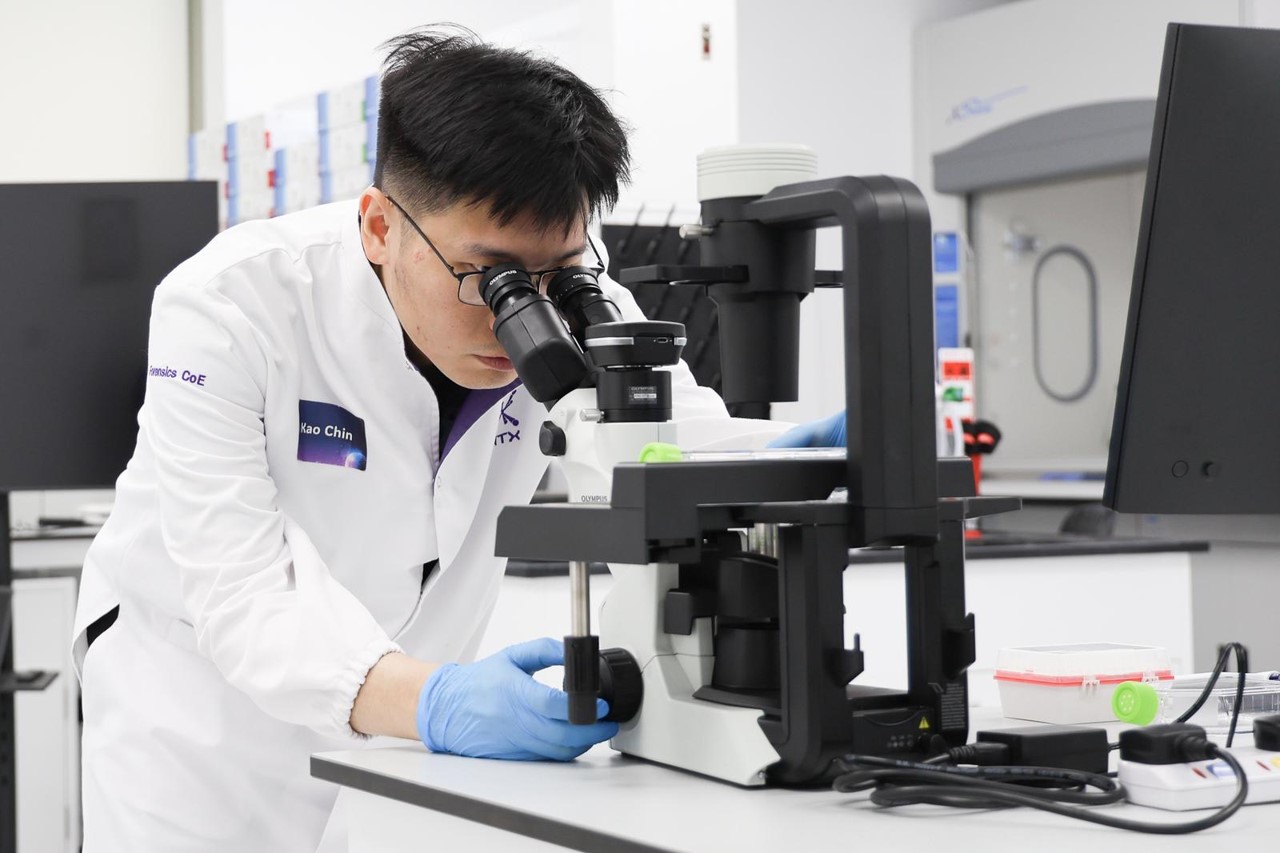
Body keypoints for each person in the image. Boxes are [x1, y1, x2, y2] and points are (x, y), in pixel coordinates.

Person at [73, 25, 843, 853]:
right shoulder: (228, 306)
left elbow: (672, 449)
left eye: (556, 275)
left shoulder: (572, 286)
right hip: (199, 732)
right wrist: (436, 699)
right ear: (379, 227)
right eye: (488, 277)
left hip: (405, 724)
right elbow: (241, 590)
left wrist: (805, 458)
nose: (519, 317)